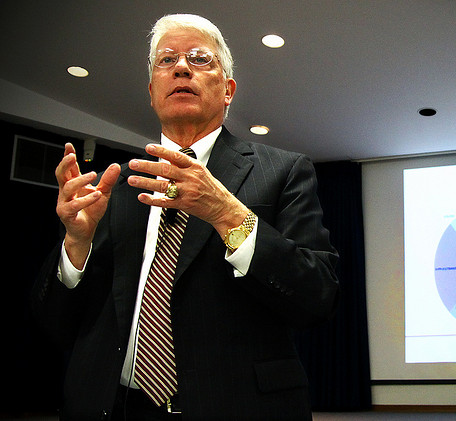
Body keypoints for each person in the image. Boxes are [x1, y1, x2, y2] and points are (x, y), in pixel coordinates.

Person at [31, 13, 339, 421]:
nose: (180, 67)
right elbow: (54, 324)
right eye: (166, 60)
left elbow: (317, 297)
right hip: (110, 405)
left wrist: (227, 213)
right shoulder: (112, 186)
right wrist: (76, 244)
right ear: (152, 92)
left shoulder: (283, 171)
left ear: (227, 90)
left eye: (199, 58)